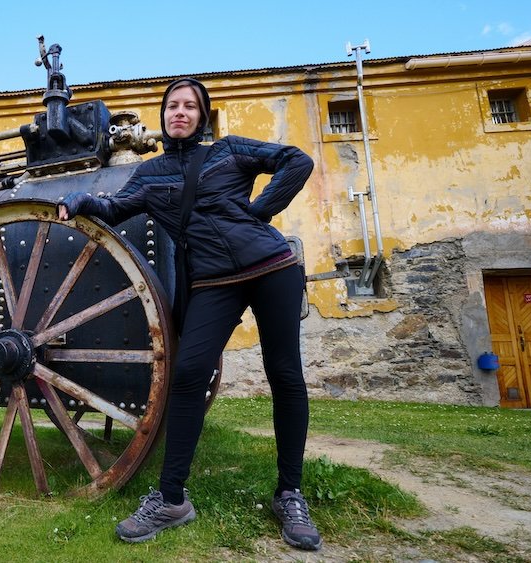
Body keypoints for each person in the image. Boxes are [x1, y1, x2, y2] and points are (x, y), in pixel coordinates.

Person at [57, 78, 321, 551]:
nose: (180, 113)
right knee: (188, 373)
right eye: (172, 106)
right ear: (164, 116)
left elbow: (295, 160)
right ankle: (172, 498)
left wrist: (259, 212)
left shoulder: (230, 151)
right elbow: (113, 208)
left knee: (285, 374)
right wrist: (78, 201)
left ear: (202, 115)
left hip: (272, 268)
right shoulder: (151, 174)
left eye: (190, 106)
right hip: (214, 282)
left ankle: (290, 494)